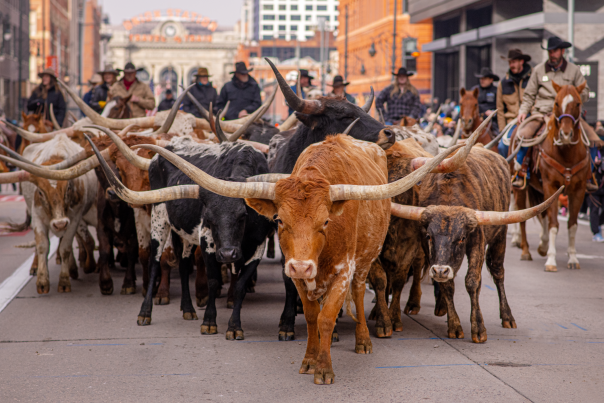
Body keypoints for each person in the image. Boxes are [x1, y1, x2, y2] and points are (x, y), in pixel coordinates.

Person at [512, 36, 598, 191]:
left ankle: (589, 175)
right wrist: (523, 111)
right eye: (550, 51)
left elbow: (585, 91)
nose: (552, 54)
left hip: (568, 115)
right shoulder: (539, 70)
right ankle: (521, 172)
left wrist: (575, 97)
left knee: (592, 138)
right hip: (542, 113)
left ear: (562, 51)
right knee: (523, 134)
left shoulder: (574, 70)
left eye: (555, 51)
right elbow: (529, 95)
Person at [496, 49, 533, 157]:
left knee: (530, 146)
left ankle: (527, 173)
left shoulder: (533, 78)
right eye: (509, 62)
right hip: (511, 122)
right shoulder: (503, 83)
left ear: (521, 61)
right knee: (502, 147)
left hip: (531, 120)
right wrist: (503, 131)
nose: (511, 65)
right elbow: (500, 110)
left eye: (514, 62)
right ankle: (506, 172)